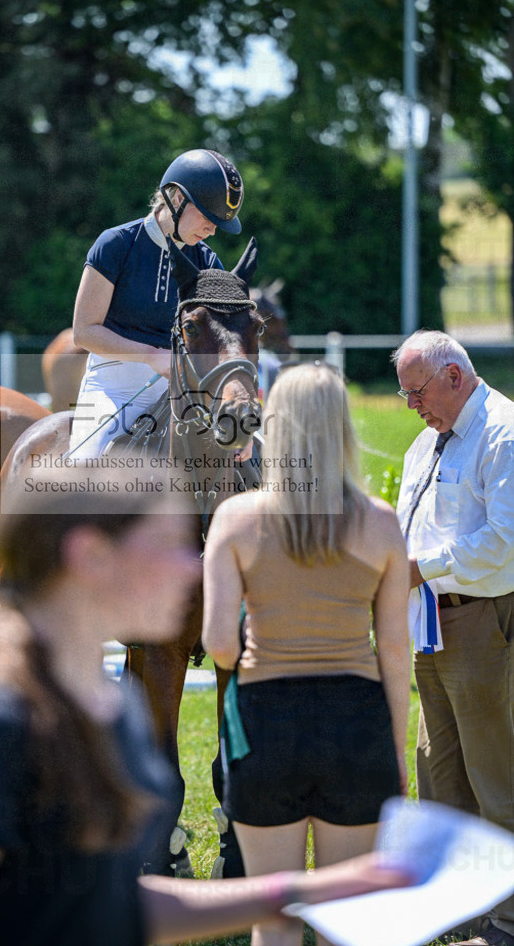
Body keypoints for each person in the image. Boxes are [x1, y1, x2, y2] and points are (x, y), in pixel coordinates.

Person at [0, 459, 413, 946]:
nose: (194, 567)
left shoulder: (114, 708)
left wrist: (303, 892)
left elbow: (110, 900)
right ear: (91, 555)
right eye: (168, 543)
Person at [202, 362, 411, 946]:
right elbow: (394, 649)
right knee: (353, 925)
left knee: (276, 924)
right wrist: (393, 748)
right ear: (342, 429)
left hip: (267, 725)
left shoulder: (236, 519)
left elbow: (219, 645)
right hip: (357, 724)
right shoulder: (381, 523)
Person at [392, 329, 514, 946]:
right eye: (406, 394)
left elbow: (506, 540)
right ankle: (467, 909)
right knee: (441, 772)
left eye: (417, 392)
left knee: (496, 774)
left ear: (455, 377)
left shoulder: (505, 434)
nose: (412, 405)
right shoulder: (425, 442)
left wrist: (420, 569)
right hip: (431, 624)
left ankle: (509, 922)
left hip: (483, 619)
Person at [68, 147, 248, 460]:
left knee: (255, 461)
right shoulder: (116, 244)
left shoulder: (209, 263)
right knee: (86, 462)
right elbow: (84, 331)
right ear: (177, 199)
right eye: (207, 216)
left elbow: (223, 343)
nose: (212, 229)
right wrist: (151, 355)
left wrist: (237, 416)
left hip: (184, 392)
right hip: (114, 387)